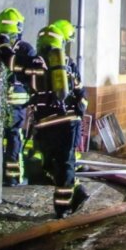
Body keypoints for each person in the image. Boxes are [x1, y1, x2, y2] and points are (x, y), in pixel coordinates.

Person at [30, 18, 88, 217]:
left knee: (53, 164)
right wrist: (79, 112)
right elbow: (81, 92)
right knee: (64, 163)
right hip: (67, 122)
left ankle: (63, 206)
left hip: (46, 122)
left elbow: (28, 85)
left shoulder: (35, 63)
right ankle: (74, 195)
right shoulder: (69, 64)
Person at [0, 7, 42, 187]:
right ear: (19, 27)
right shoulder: (25, 48)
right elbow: (31, 76)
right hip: (18, 102)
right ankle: (13, 177)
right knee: (14, 136)